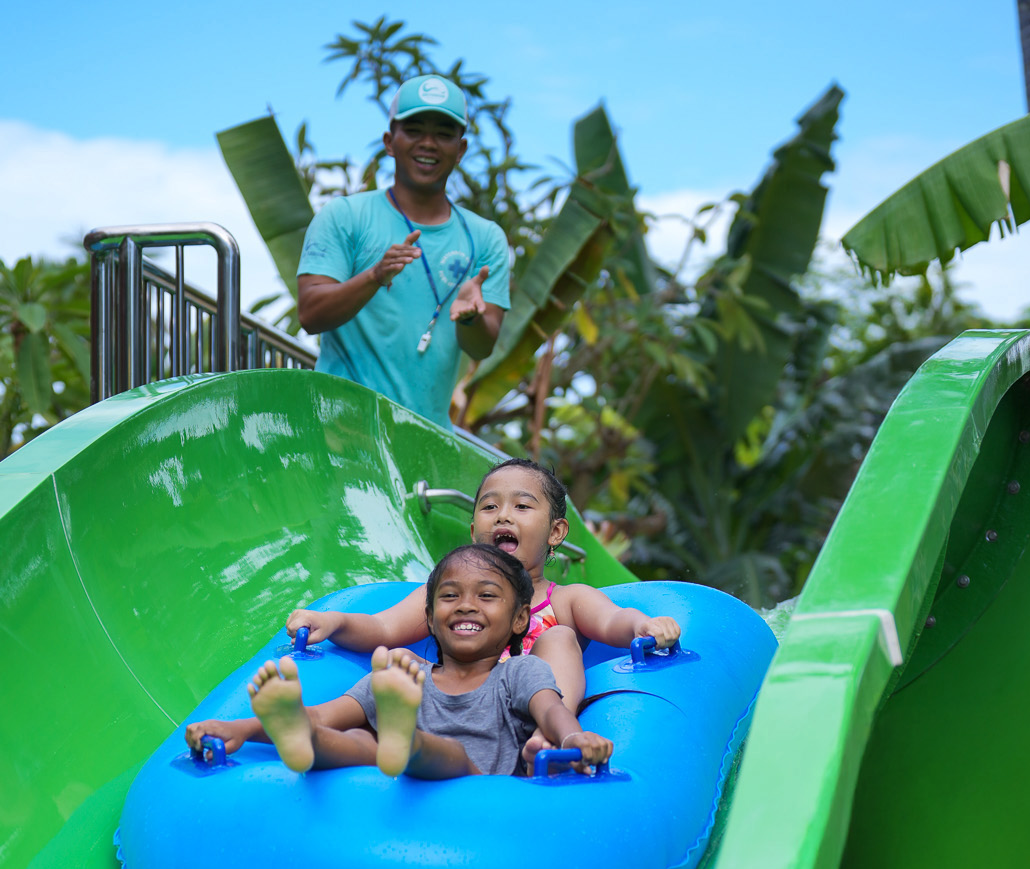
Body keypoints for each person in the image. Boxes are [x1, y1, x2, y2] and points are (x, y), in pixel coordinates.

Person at [284, 458, 681, 757]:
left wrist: (644, 626)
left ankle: (555, 729)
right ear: (474, 532)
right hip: (453, 707)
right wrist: (333, 621)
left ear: (556, 532)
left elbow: (613, 619)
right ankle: (325, 731)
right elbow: (384, 629)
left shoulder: (565, 599)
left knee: (558, 637)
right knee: (398, 659)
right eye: (489, 507)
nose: (503, 515)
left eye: (522, 507)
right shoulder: (450, 596)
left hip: (525, 714)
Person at [199, 545, 611, 780]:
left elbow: (552, 710)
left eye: (486, 596)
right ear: (429, 617)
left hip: (476, 782)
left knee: (447, 753)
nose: (466, 606)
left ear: (520, 619)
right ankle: (306, 742)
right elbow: (327, 713)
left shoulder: (518, 672)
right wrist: (239, 728)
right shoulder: (403, 673)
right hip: (389, 762)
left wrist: (573, 740)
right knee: (359, 742)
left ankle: (406, 742)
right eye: (450, 596)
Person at [295, 73, 512, 428]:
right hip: (337, 432)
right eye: (414, 130)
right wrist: (373, 277)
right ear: (389, 141)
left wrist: (470, 316)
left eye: (444, 133)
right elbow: (310, 315)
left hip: (425, 442)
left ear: (461, 149)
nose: (429, 143)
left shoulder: (485, 238)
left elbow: (481, 348)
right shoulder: (345, 216)